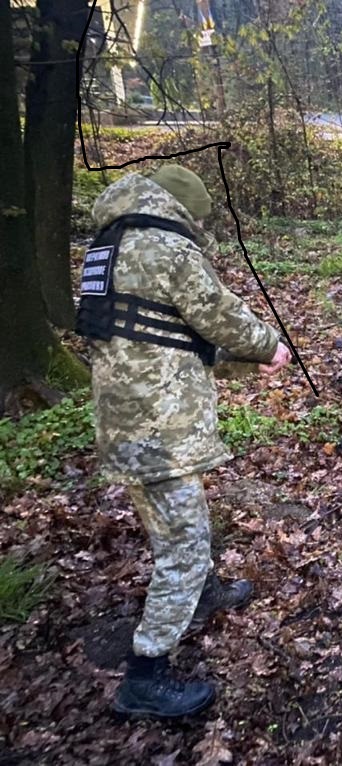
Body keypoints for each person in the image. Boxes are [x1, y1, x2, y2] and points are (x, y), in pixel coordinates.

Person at [76, 165, 292, 718]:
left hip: (131, 418)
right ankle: (145, 676)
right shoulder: (165, 248)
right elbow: (218, 315)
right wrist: (268, 347)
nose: (197, 227)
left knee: (174, 525)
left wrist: (243, 368)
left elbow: (158, 337)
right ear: (181, 210)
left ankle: (202, 594)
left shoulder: (106, 248)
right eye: (197, 218)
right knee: (184, 543)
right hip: (159, 426)